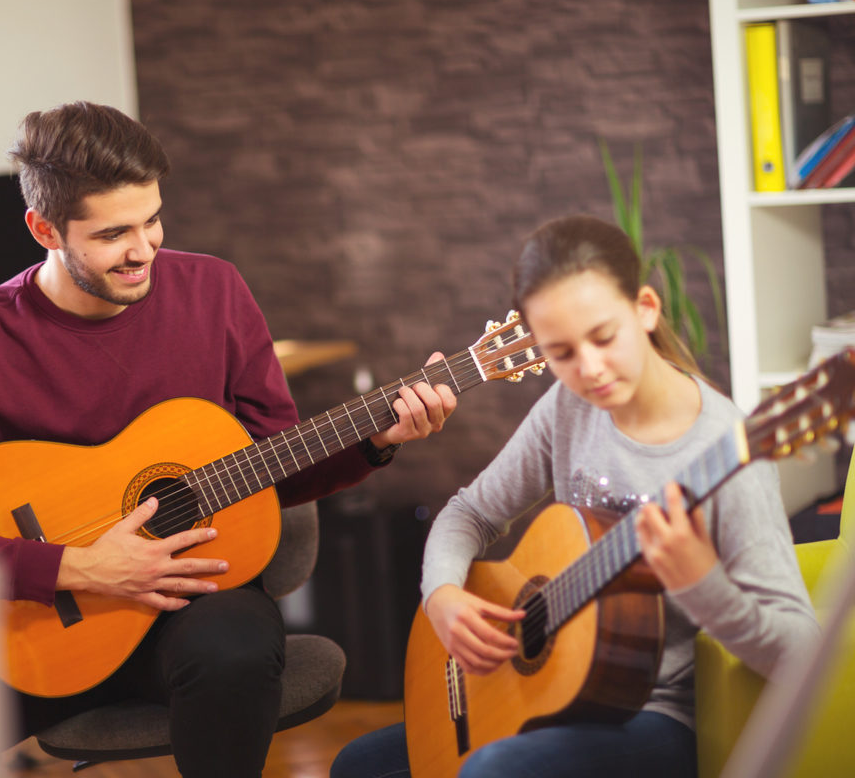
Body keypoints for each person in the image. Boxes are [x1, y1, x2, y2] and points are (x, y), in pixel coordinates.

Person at [0, 100, 458, 778]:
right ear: (44, 228)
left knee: (234, 650)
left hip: (197, 606)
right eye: (114, 233)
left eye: (152, 220)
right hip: (43, 623)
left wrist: (375, 441)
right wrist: (79, 568)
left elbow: (272, 466)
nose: (144, 250)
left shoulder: (215, 291)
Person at [330, 214, 820, 778]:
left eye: (604, 337)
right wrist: (441, 593)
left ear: (645, 309)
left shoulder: (728, 454)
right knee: (359, 765)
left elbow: (801, 654)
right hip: (545, 691)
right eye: (560, 353)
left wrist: (701, 583)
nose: (589, 369)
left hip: (656, 718)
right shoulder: (568, 409)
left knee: (494, 772)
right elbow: (469, 511)